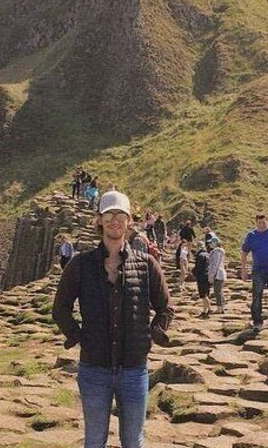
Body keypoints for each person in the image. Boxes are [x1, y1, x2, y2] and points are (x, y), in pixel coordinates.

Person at [52, 190, 174, 448]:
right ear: (99, 220)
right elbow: (60, 308)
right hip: (94, 368)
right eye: (109, 215)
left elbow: (165, 307)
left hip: (134, 368)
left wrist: (155, 332)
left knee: (133, 441)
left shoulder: (146, 264)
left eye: (121, 215)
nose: (115, 220)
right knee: (94, 441)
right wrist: (78, 335)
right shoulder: (80, 264)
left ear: (129, 221)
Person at [207, 236, 226, 314]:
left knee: (217, 291)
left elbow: (215, 264)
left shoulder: (217, 252)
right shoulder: (218, 251)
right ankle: (221, 307)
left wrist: (212, 275)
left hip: (218, 274)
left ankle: (219, 308)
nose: (209, 244)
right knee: (219, 291)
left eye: (211, 242)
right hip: (220, 273)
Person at [193, 241, 211, 317]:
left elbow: (198, 267)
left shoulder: (200, 255)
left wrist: (194, 273)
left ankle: (209, 309)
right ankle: (205, 310)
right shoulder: (208, 254)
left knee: (203, 294)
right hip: (208, 275)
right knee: (206, 294)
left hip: (202, 276)